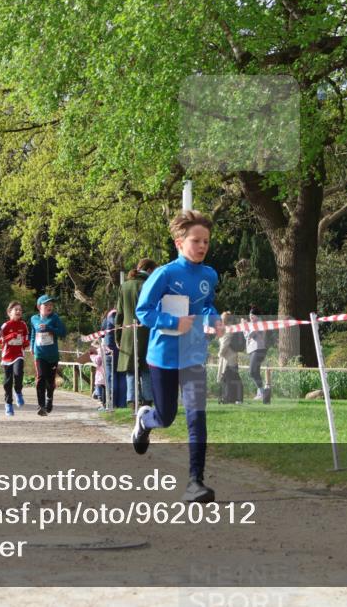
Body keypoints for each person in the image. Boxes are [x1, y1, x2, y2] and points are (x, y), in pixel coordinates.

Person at [132, 210, 224, 503]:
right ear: (179, 242)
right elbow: (143, 311)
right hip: (164, 356)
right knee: (167, 417)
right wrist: (173, 323)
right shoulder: (165, 274)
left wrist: (215, 319)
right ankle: (146, 421)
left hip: (194, 355)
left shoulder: (210, 275)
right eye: (196, 240)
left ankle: (195, 482)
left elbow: (206, 304)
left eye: (206, 241)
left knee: (197, 417)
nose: (202, 246)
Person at [117, 258, 157, 407]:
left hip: (127, 334)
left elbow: (119, 314)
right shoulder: (149, 284)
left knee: (131, 369)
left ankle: (132, 401)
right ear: (149, 270)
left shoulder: (124, 286)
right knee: (146, 368)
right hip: (147, 331)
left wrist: (118, 336)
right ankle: (147, 401)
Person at [29, 294, 67, 415]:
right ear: (39, 307)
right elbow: (33, 334)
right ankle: (41, 406)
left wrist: (49, 328)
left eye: (51, 304)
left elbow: (63, 332)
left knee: (50, 381)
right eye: (46, 305)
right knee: (40, 378)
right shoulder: (34, 319)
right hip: (39, 354)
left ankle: (49, 399)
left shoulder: (55, 318)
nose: (49, 307)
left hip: (52, 355)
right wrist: (31, 346)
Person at [0, 301, 29, 416]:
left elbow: (26, 337)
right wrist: (10, 336)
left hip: (18, 354)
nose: (19, 311)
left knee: (18, 373)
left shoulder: (23, 325)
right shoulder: (5, 326)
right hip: (7, 357)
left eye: (20, 310)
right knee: (7, 382)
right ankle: (8, 404)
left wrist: (25, 342)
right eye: (16, 310)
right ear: (9, 313)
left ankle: (18, 391)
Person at [217, 311, 244, 404]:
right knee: (234, 378)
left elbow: (224, 344)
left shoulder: (227, 329)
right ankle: (236, 398)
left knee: (228, 379)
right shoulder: (231, 328)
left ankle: (228, 398)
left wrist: (219, 354)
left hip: (228, 359)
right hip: (232, 357)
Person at [245, 306, 270, 402]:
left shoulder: (258, 323)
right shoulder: (251, 324)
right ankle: (261, 393)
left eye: (253, 315)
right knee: (255, 372)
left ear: (257, 316)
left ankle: (262, 391)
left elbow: (250, 335)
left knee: (252, 371)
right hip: (252, 349)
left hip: (258, 349)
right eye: (250, 315)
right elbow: (246, 336)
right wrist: (246, 328)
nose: (251, 316)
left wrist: (246, 327)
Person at [91, 341, 108, 411]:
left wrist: (92, 357)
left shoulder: (100, 350)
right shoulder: (107, 348)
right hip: (106, 372)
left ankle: (103, 405)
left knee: (102, 390)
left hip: (101, 373)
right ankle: (103, 404)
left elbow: (98, 361)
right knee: (104, 389)